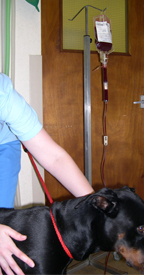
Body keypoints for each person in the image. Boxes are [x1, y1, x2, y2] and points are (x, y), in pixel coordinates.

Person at [0, 73, 94, 275]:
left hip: (3, 144)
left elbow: (54, 158)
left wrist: (93, 204)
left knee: (3, 230)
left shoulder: (3, 93)